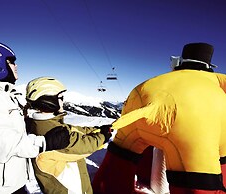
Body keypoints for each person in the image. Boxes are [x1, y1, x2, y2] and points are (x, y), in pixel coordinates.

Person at [92, 42, 226, 194]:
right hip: (191, 123)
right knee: (198, 181)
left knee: (122, 153)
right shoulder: (216, 83)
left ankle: (107, 188)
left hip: (139, 97)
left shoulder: (158, 79)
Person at [0, 40, 58, 194]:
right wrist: (45, 142)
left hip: (9, 181)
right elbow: (1, 142)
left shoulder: (2, 95)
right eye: (11, 62)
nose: (16, 66)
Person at [24, 76, 113, 194]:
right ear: (49, 101)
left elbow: (73, 130)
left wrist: (96, 129)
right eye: (60, 98)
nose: (63, 101)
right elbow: (84, 146)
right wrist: (103, 137)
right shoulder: (52, 134)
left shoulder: (45, 123)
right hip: (68, 190)